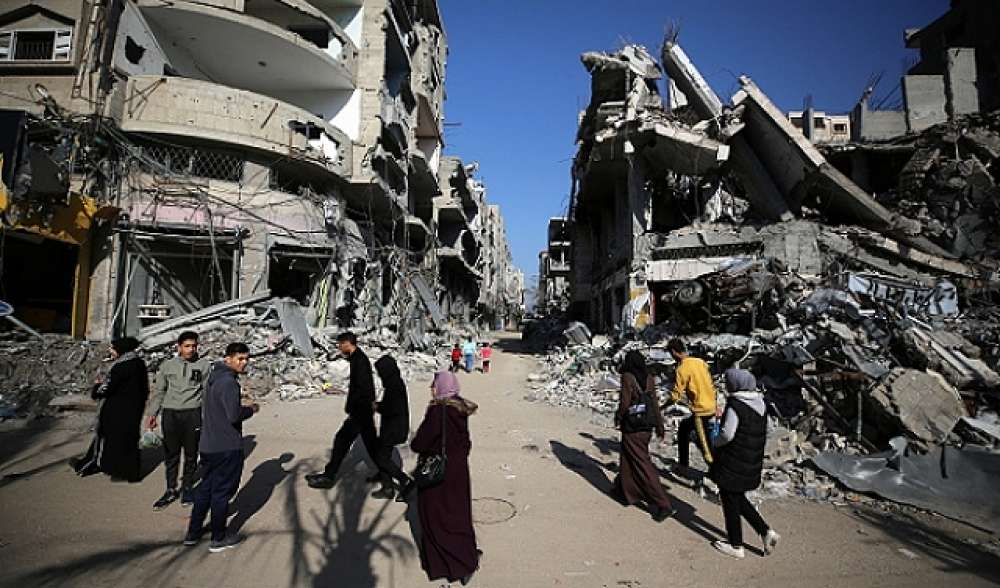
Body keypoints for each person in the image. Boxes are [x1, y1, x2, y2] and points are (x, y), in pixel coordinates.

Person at [184, 342, 259, 552]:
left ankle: (193, 533)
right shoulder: (229, 382)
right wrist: (250, 409)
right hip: (226, 446)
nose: (244, 363)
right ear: (228, 358)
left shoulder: (213, 377)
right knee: (221, 493)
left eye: (246, 358)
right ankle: (218, 537)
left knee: (205, 489)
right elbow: (233, 415)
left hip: (209, 445)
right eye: (240, 359)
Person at [408, 371, 481, 585]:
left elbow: (419, 444)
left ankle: (446, 564)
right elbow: (466, 443)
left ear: (440, 387)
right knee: (458, 515)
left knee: (435, 518)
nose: (431, 388)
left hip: (438, 475)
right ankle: (466, 560)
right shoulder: (459, 408)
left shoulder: (437, 411)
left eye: (433, 384)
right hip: (458, 472)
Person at [710, 368, 780, 559]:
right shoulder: (760, 402)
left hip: (734, 459)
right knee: (736, 496)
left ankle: (736, 545)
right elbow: (766, 428)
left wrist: (715, 441)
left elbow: (727, 434)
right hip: (751, 459)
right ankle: (765, 532)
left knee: (729, 500)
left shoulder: (735, 404)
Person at [147, 330, 211, 510]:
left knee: (191, 454)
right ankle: (170, 489)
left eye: (194, 346)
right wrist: (152, 414)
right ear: (179, 347)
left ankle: (188, 488)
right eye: (187, 346)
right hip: (171, 415)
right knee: (171, 454)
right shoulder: (167, 366)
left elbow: (207, 393)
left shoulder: (204, 365)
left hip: (192, 414)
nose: (191, 349)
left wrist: (208, 418)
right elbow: (159, 391)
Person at [307, 332, 378, 489]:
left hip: (360, 412)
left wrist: (356, 409)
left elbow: (363, 388)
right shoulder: (357, 359)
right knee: (372, 446)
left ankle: (328, 476)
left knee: (341, 441)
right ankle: (391, 476)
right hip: (363, 410)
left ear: (347, 343)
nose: (339, 348)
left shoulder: (360, 361)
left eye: (340, 344)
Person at [73, 337, 149, 482]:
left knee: (110, 440)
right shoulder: (139, 363)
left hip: (116, 412)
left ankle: (104, 467)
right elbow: (144, 389)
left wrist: (96, 387)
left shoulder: (121, 367)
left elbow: (106, 388)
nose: (110, 350)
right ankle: (131, 474)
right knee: (129, 441)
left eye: (113, 348)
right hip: (134, 411)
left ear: (121, 349)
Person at [612, 351, 676, 522]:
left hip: (633, 427)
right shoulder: (649, 377)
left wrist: (618, 417)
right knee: (627, 459)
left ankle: (663, 504)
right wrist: (659, 425)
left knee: (642, 464)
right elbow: (654, 402)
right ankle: (624, 491)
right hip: (646, 426)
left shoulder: (627, 377)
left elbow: (625, 402)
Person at [667, 338, 717, 473]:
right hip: (711, 405)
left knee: (704, 445)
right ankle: (683, 464)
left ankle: (716, 473)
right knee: (684, 429)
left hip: (701, 411)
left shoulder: (682, 369)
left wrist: (663, 406)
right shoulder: (700, 362)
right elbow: (710, 383)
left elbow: (675, 396)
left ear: (674, 352)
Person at [370, 356, 413, 499]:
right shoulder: (394, 383)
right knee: (382, 454)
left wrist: (376, 406)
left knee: (381, 457)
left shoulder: (394, 386)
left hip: (394, 429)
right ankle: (386, 483)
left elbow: (391, 408)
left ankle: (404, 480)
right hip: (393, 427)